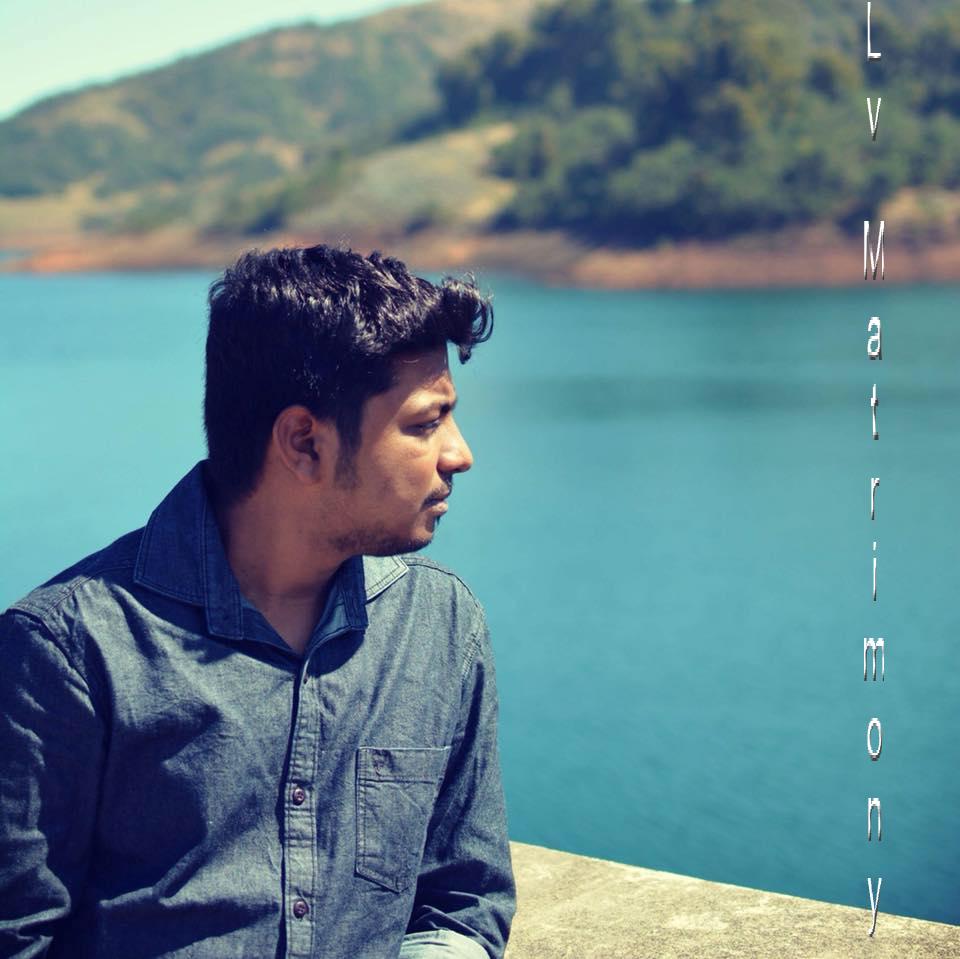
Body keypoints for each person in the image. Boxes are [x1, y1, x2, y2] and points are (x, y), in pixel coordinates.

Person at [0, 245, 515, 958]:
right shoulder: (67, 650)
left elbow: (462, 899)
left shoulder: (441, 623)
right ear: (304, 442)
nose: (460, 454)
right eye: (427, 424)